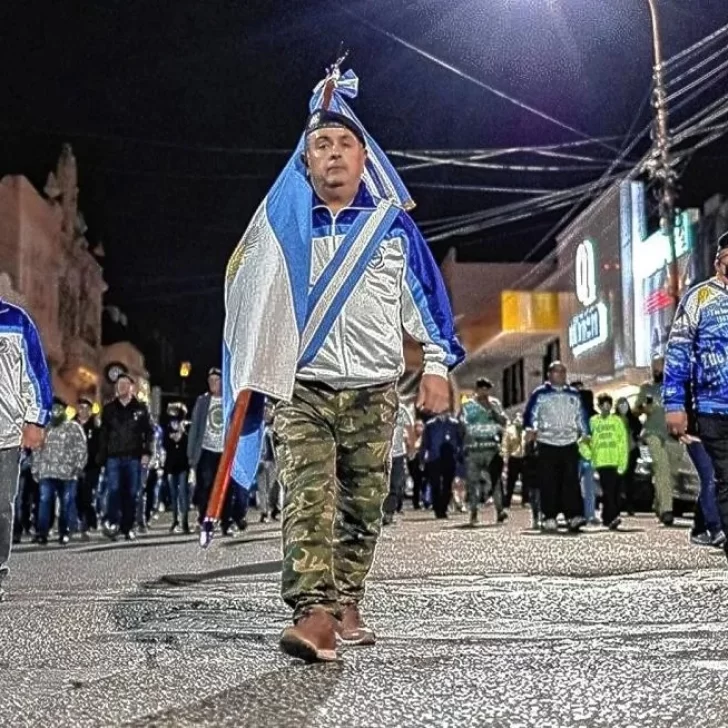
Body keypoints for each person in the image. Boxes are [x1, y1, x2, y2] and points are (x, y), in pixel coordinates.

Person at [222, 68, 464, 662]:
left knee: (362, 504)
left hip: (374, 391)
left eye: (344, 144)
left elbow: (429, 305)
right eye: (320, 145)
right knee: (307, 496)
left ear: (364, 157)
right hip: (302, 389)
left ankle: (348, 596)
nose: (333, 154)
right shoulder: (281, 232)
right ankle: (314, 616)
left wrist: (436, 366)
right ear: (306, 160)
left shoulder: (392, 231)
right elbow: (246, 303)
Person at [663, 230, 728, 557]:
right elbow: (677, 354)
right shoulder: (699, 298)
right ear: (719, 262)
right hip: (713, 407)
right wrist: (674, 404)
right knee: (724, 475)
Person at [0, 300, 52, 600]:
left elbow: (37, 375)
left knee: (1, 507)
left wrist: (36, 420)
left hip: (6, 433)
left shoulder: (16, 320)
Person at [523, 361, 589, 533]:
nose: (560, 375)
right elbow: (530, 414)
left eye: (563, 372)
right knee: (548, 480)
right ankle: (549, 516)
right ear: (549, 375)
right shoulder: (540, 394)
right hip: (547, 442)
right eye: (557, 372)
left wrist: (585, 433)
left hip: (569, 442)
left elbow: (581, 415)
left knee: (571, 481)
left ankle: (573, 516)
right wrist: (531, 429)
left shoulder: (573, 394)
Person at [98, 374, 153, 541]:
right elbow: (104, 434)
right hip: (113, 456)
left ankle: (128, 526)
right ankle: (112, 523)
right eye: (119, 384)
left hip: (134, 457)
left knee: (132, 492)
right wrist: (102, 457)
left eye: (125, 384)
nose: (121, 387)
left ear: (132, 387)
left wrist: (146, 452)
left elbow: (149, 433)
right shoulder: (109, 409)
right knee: (113, 490)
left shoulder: (141, 409)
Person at [31, 398, 88, 545]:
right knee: (44, 502)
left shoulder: (73, 427)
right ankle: (42, 533)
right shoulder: (44, 428)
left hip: (68, 473)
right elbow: (36, 449)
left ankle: (64, 532)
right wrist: (35, 469)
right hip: (47, 472)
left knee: (66, 503)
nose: (56, 411)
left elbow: (81, 448)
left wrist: (78, 467)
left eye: (59, 408)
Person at [188, 368, 237, 533]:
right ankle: (204, 520)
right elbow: (195, 427)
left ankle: (226, 523)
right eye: (210, 380)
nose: (213, 383)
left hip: (225, 451)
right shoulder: (202, 401)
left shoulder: (230, 401)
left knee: (226, 488)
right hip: (206, 450)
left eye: (216, 380)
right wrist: (191, 454)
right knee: (206, 486)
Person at [635, 355, 682, 526]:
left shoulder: (677, 388)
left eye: (660, 367)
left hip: (674, 434)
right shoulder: (647, 389)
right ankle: (667, 510)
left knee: (672, 474)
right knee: (662, 469)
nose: (657, 370)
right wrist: (643, 408)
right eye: (654, 367)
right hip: (653, 433)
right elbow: (635, 411)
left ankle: (659, 501)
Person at [460, 378, 508, 526]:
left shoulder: (494, 403)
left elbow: (503, 421)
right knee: (473, 483)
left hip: (491, 449)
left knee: (495, 482)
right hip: (474, 449)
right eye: (483, 388)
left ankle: (500, 511)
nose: (486, 392)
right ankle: (473, 512)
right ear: (478, 389)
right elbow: (463, 423)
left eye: (488, 389)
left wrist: (492, 411)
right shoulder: (469, 405)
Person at [580, 394, 628, 530]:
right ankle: (612, 517)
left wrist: (622, 462)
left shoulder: (616, 421)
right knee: (608, 490)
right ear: (599, 406)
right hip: (601, 461)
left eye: (608, 404)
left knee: (616, 492)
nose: (606, 407)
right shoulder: (593, 421)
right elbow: (583, 441)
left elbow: (622, 442)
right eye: (603, 404)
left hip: (615, 460)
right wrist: (589, 455)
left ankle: (608, 517)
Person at [422, 410, 465, 520]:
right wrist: (422, 458)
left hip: (450, 458)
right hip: (434, 458)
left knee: (447, 485)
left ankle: (443, 507)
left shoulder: (454, 424)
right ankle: (437, 509)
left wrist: (460, 455)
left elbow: (460, 441)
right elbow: (425, 443)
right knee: (435, 484)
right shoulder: (430, 425)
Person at [383, 400, 415, 525]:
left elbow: (410, 429)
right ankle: (379, 512)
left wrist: (411, 448)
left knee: (395, 485)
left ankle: (388, 513)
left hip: (398, 454)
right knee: (381, 484)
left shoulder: (402, 410)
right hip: (381, 454)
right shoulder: (380, 407)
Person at [75, 397, 101, 540]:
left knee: (88, 495)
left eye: (86, 408)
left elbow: (99, 446)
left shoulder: (95, 427)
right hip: (75, 466)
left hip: (92, 466)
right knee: (78, 495)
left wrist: (98, 460)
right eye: (81, 407)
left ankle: (88, 522)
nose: (83, 410)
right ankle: (84, 520)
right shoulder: (72, 425)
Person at [163, 413, 190, 534]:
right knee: (173, 495)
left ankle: (184, 521)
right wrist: (172, 440)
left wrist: (181, 436)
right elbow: (164, 447)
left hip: (183, 467)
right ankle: (175, 520)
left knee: (183, 494)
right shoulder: (167, 435)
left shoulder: (185, 435)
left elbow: (188, 448)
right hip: (171, 467)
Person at [615, 397, 642, 515]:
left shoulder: (633, 420)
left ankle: (629, 505)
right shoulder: (613, 419)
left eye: (625, 405)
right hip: (617, 453)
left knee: (629, 480)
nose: (623, 407)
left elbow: (640, 432)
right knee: (617, 480)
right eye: (621, 405)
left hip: (631, 451)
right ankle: (617, 504)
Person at [501, 411, 526, 509]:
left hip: (524, 457)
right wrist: (505, 458)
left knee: (526, 481)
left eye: (520, 417)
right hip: (513, 458)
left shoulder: (526, 430)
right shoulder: (509, 430)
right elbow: (505, 444)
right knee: (511, 481)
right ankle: (507, 502)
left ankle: (526, 500)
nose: (519, 419)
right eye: (517, 417)